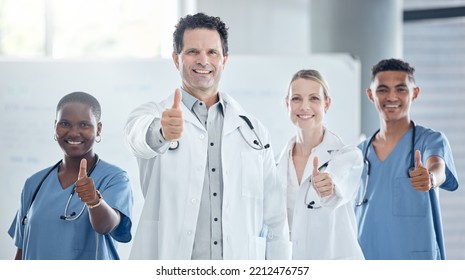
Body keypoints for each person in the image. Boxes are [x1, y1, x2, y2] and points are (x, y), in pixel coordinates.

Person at [125, 12, 291, 260]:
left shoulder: (253, 131)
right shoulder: (155, 114)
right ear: (175, 59)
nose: (203, 60)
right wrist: (162, 132)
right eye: (192, 52)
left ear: (225, 59)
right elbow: (138, 137)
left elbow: (275, 217)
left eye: (212, 52)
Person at [8, 91, 133, 260]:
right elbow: (22, 251)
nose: (74, 133)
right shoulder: (34, 184)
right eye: (65, 124)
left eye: (84, 125)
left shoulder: (114, 178)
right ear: (55, 127)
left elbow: (106, 226)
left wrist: (94, 201)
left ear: (98, 129)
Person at [355, 58, 459, 260]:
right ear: (370, 95)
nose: (391, 96)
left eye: (401, 89)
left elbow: (437, 166)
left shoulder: (429, 140)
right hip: (366, 257)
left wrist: (430, 178)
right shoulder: (359, 153)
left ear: (415, 93)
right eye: (383, 90)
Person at [275, 69, 365, 260]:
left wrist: (329, 186)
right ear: (287, 104)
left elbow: (338, 182)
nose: (304, 106)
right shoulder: (277, 164)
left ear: (327, 103)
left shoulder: (348, 157)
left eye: (314, 98)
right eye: (296, 98)